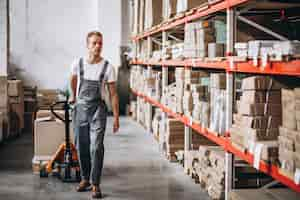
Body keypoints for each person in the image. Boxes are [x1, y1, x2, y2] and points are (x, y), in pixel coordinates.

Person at [69, 31, 119, 199]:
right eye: (94, 43)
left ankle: (95, 183)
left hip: (98, 110)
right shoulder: (78, 63)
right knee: (81, 145)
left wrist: (117, 117)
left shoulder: (108, 67)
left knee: (96, 147)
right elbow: (73, 79)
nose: (98, 46)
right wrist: (73, 96)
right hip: (81, 108)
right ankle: (85, 179)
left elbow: (113, 94)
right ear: (87, 45)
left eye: (100, 43)